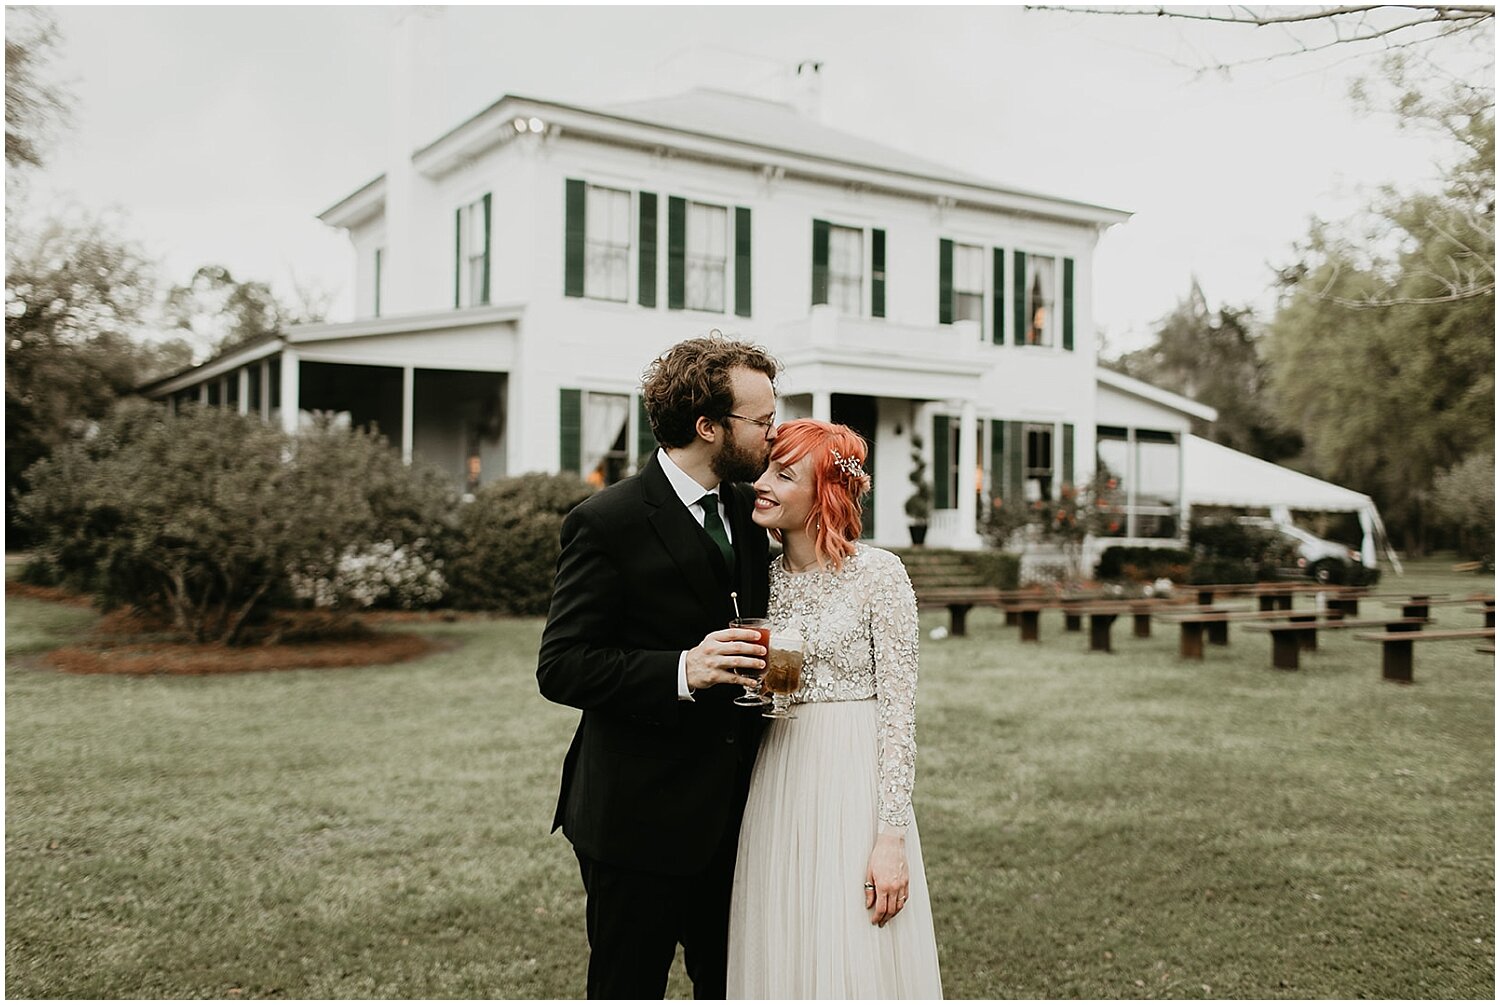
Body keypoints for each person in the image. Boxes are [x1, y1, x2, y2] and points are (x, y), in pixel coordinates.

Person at [536, 335, 781, 1000]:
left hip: (738, 815)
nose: (772, 432)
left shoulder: (750, 511)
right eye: (761, 420)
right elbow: (562, 665)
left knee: (732, 985)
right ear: (708, 427)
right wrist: (683, 669)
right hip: (636, 821)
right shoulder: (605, 521)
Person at [726, 419, 944, 999]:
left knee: (851, 942)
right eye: (766, 469)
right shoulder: (758, 583)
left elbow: (900, 715)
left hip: (854, 781)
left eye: (783, 474)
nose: (762, 484)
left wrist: (891, 836)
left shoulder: (879, 575)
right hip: (778, 774)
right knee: (785, 935)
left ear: (824, 492)